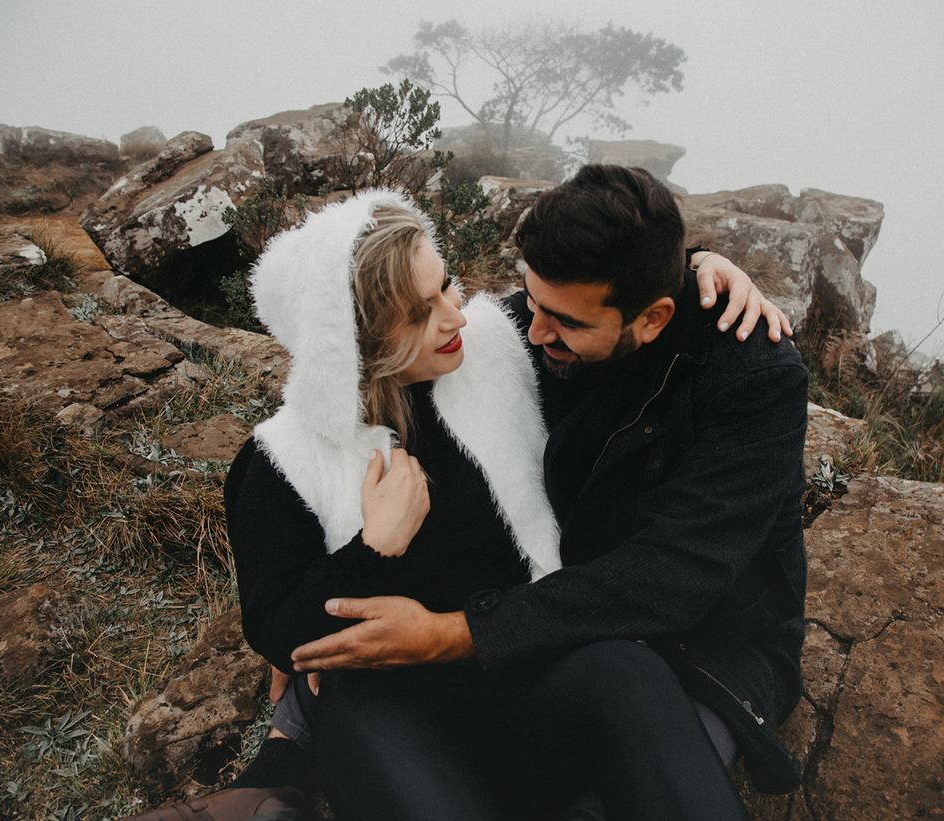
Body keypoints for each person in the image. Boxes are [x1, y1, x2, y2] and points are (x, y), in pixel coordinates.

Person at [124, 185, 789, 821]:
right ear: (351, 339)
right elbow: (279, 625)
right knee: (363, 705)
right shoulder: (283, 461)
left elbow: (613, 291)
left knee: (624, 671)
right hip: (402, 706)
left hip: (536, 671)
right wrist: (371, 550)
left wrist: (696, 267)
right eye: (418, 312)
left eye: (447, 285)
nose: (455, 315)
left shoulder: (500, 349)